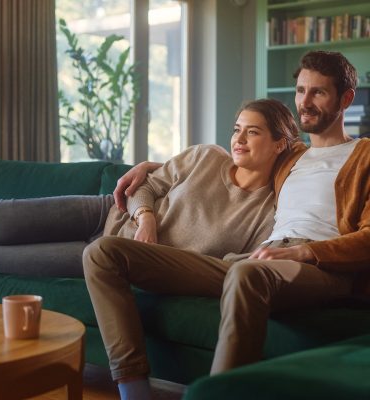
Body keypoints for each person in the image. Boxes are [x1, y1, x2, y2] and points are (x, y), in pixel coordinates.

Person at [83, 50, 370, 399]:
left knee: (246, 273)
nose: (304, 102)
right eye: (300, 91)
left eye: (318, 92)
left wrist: (304, 252)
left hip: (317, 267)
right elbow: (240, 155)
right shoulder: (292, 154)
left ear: (346, 98)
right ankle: (134, 389)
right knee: (103, 253)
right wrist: (153, 166)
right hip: (255, 260)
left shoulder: (363, 156)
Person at [82, 98, 301, 400]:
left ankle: (134, 391)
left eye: (252, 132)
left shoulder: (272, 208)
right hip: (121, 220)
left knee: (97, 253)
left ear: (280, 144)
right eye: (237, 129)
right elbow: (145, 187)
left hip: (129, 255)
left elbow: (248, 260)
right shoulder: (206, 156)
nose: (238, 139)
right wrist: (147, 221)